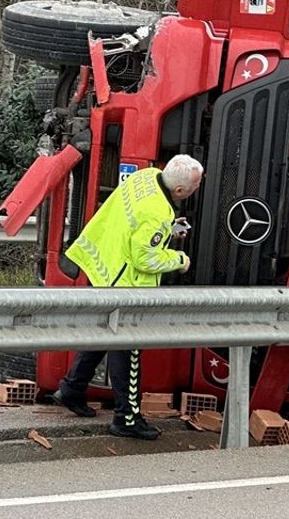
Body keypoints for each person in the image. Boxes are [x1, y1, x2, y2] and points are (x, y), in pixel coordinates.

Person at [51, 154, 204, 440]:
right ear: (180, 191)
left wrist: (166, 231)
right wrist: (178, 258)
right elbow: (145, 258)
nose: (196, 189)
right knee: (128, 351)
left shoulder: (146, 177)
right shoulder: (158, 212)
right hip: (124, 283)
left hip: (102, 263)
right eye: (194, 186)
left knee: (103, 336)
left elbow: (137, 225)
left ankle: (72, 389)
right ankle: (127, 418)